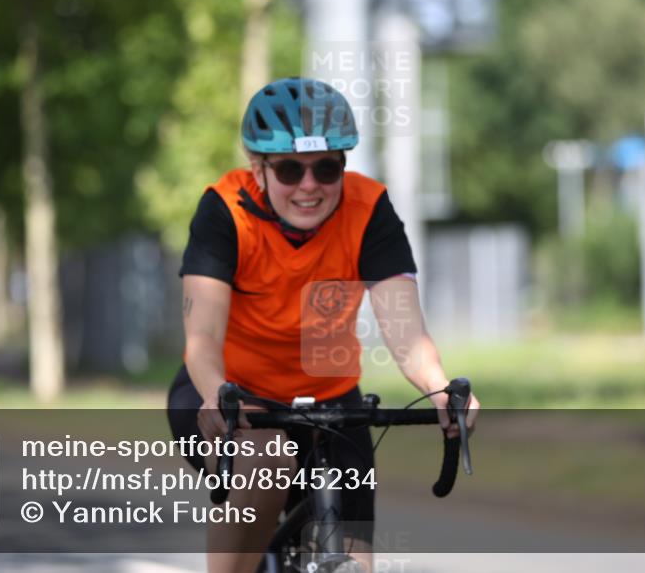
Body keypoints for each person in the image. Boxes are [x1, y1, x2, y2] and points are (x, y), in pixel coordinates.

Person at [167, 77, 480, 573]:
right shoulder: (225, 210)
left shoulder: (368, 210)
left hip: (331, 402)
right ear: (258, 167)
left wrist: (439, 388)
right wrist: (216, 395)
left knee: (355, 563)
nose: (309, 185)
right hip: (231, 395)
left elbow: (406, 332)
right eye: (290, 169)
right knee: (265, 462)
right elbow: (202, 338)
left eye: (327, 168)